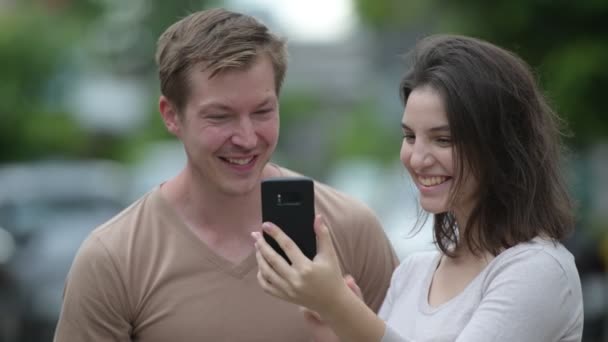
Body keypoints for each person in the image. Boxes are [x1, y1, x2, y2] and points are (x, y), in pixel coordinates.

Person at [53, 8, 399, 342]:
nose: (247, 138)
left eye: (262, 111)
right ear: (171, 115)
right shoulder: (113, 259)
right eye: (220, 117)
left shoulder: (351, 231)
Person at [253, 34, 584, 341]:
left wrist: (341, 307)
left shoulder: (538, 270)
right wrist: (335, 319)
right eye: (410, 136)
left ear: (500, 145)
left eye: (442, 139)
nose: (418, 158)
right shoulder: (411, 274)